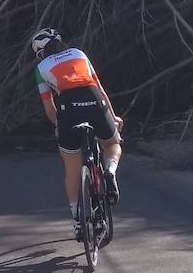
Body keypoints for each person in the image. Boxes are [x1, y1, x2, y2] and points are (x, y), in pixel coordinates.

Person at [30, 28, 123, 238]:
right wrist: (113, 116)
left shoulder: (40, 68)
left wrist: (59, 125)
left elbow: (49, 108)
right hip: (94, 99)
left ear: (39, 52)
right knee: (111, 143)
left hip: (67, 108)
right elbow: (100, 88)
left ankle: (78, 220)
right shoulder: (79, 54)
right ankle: (109, 170)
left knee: (72, 167)